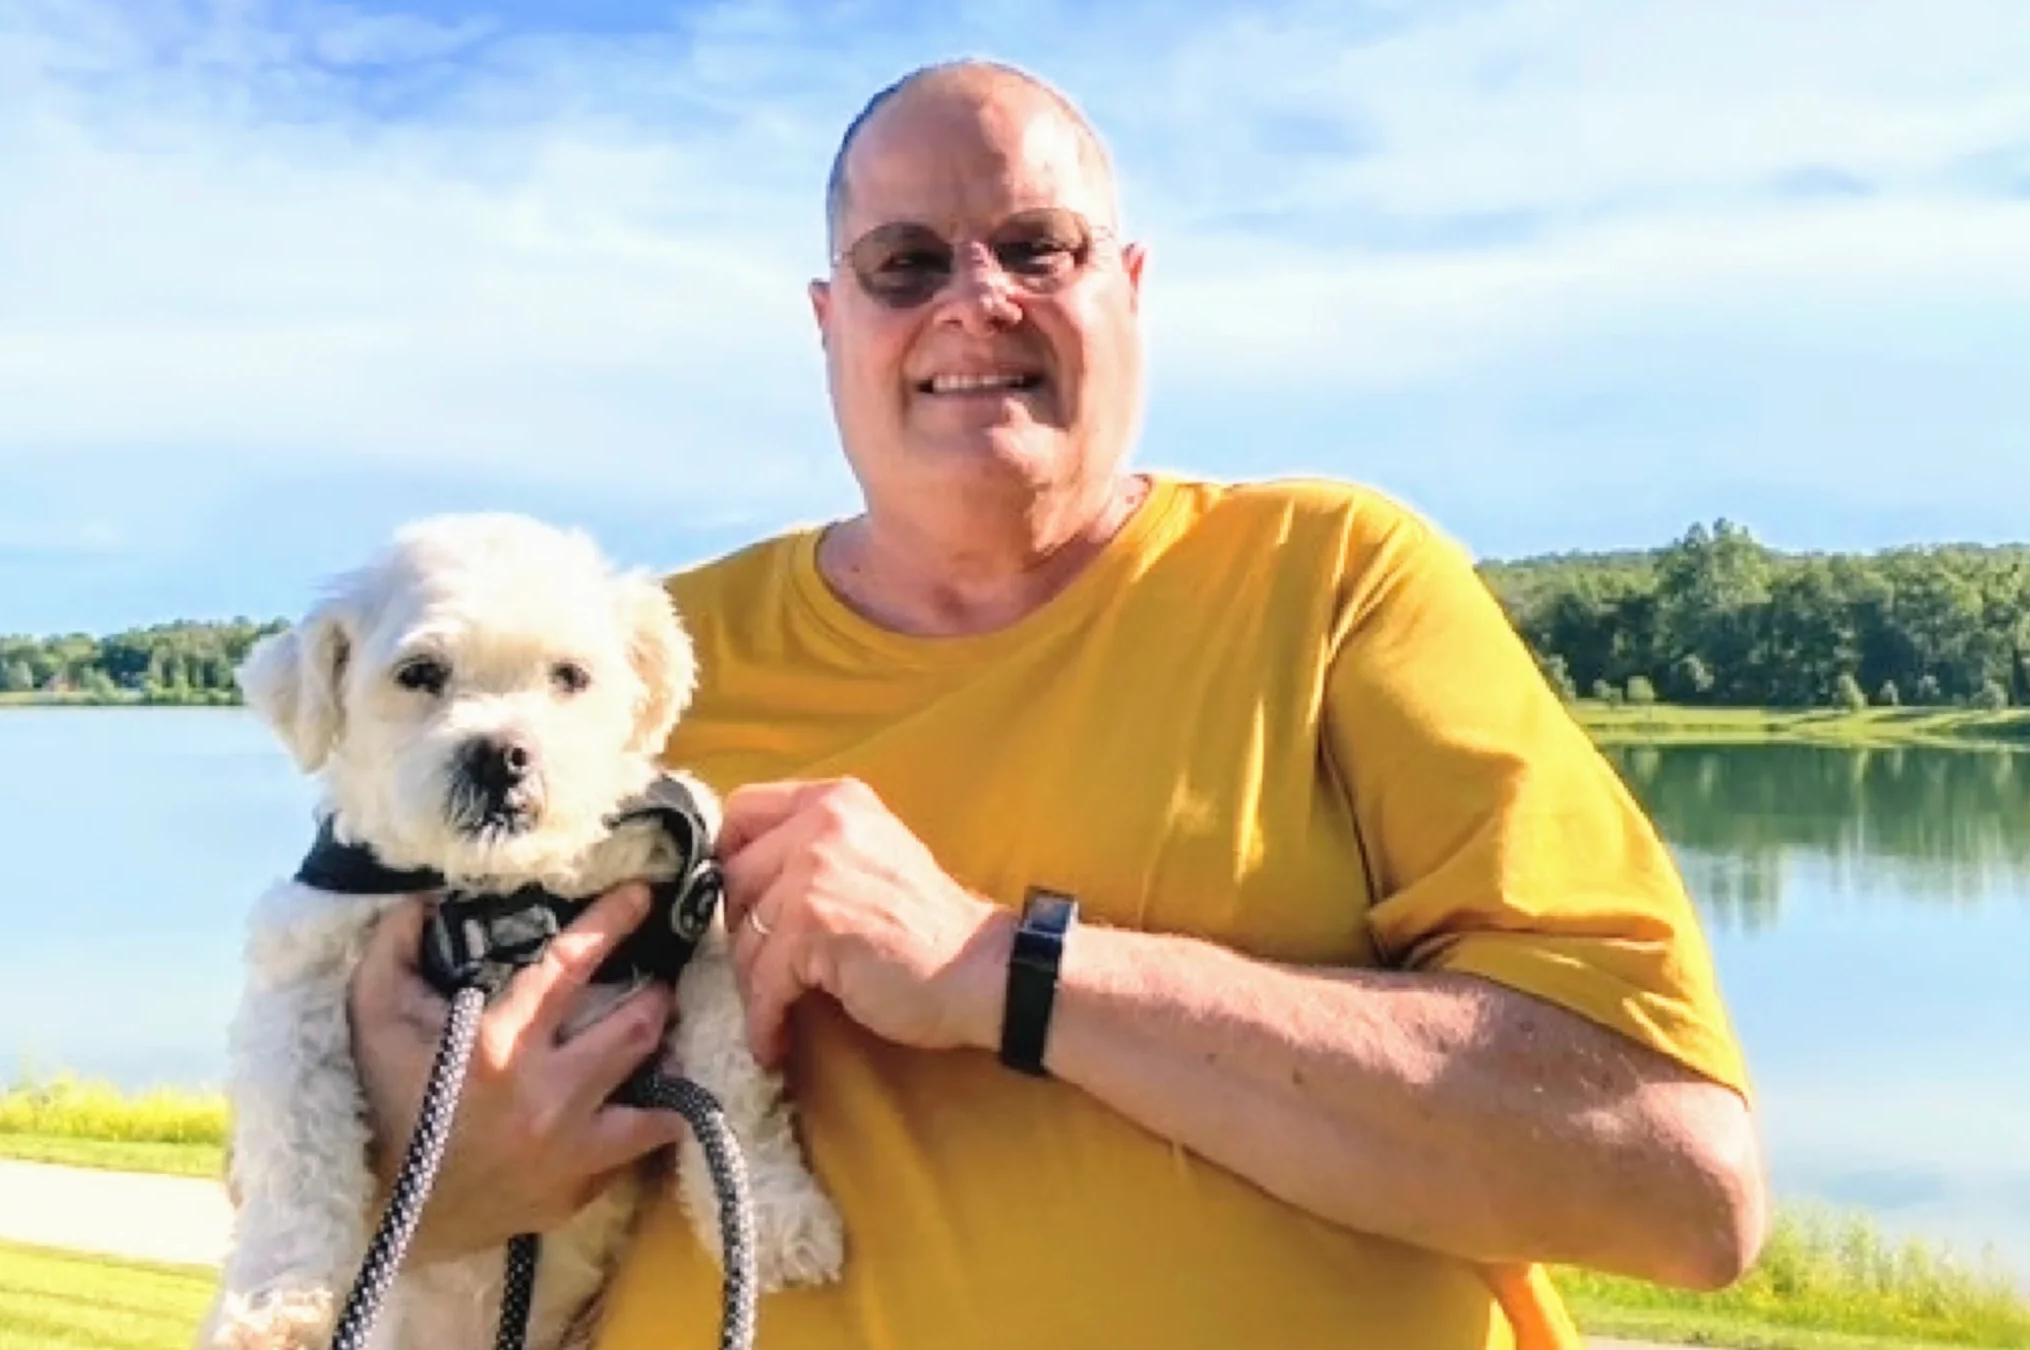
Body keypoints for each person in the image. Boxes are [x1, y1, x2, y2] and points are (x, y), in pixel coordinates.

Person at [345, 57, 1767, 1350]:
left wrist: (1000, 969)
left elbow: (1684, 1184)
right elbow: (354, 1107)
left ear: (1129, 288)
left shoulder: (1333, 583)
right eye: (905, 263)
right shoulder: (615, 667)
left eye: (1039, 247)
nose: (976, 300)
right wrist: (450, 1170)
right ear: (829, 322)